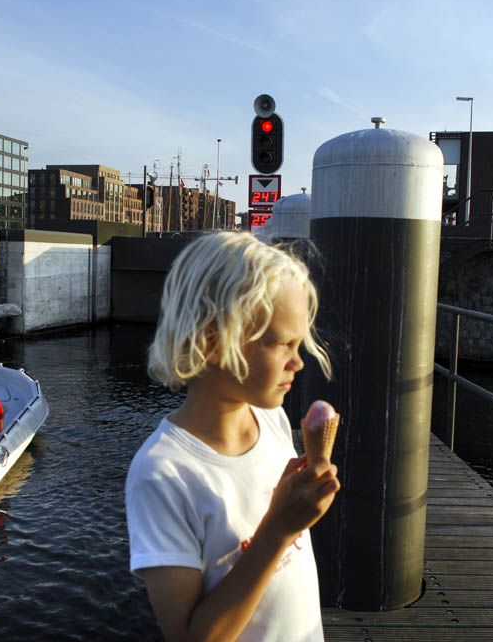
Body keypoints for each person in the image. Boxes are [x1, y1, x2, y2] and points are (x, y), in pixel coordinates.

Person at [125, 232, 340, 641]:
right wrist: (279, 527)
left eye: (300, 345)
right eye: (282, 344)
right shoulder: (163, 475)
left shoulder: (272, 420)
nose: (298, 362)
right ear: (211, 341)